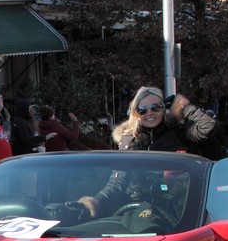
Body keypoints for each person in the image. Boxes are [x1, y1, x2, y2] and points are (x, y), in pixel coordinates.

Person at [78, 87, 217, 217]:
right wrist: (93, 202)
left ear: (164, 109)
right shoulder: (128, 141)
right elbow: (117, 182)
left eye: (155, 107)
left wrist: (182, 106)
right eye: (142, 109)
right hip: (135, 206)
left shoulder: (178, 134)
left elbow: (208, 125)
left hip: (174, 206)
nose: (150, 113)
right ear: (135, 113)